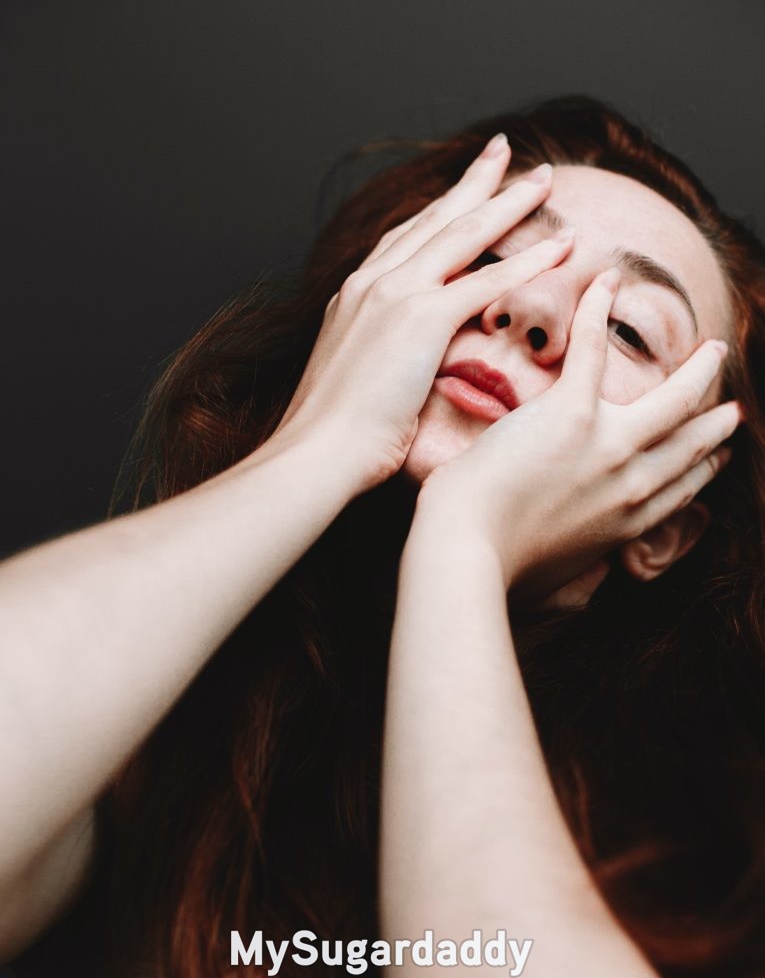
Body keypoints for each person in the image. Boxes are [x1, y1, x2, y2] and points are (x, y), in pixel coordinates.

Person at [3, 95, 765, 977]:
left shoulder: (727, 892)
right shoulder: (136, 747)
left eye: (626, 329)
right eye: (488, 255)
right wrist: (320, 444)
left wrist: (463, 546)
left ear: (664, 528)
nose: (532, 309)